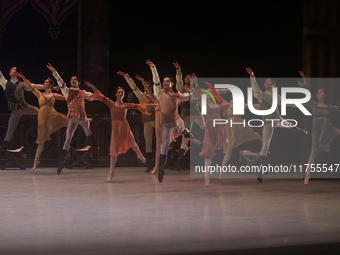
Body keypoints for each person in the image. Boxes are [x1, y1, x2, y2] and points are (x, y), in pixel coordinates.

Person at [85, 82, 154, 182]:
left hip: (124, 127)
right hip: (116, 129)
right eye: (119, 92)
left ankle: (141, 155)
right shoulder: (111, 104)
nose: (120, 94)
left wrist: (152, 105)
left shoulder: (126, 105)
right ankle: (111, 172)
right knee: (113, 151)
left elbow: (138, 106)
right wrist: (93, 87)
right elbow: (101, 96)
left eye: (122, 92)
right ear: (116, 94)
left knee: (132, 141)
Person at [148, 61, 199, 183]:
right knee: (165, 147)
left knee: (184, 130)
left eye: (167, 81)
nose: (164, 83)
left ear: (171, 83)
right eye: (164, 81)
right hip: (167, 124)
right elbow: (156, 82)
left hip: (177, 121)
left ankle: (190, 136)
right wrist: (154, 68)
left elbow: (192, 96)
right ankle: (161, 169)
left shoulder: (176, 95)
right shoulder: (159, 93)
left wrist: (195, 84)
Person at [245, 67, 294, 182]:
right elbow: (255, 88)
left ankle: (300, 131)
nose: (267, 83)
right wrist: (252, 76)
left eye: (269, 81)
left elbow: (289, 103)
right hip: (269, 121)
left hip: (278, 119)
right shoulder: (262, 95)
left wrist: (300, 104)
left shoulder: (277, 97)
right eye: (266, 82)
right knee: (265, 145)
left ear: (273, 84)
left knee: (291, 125)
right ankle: (260, 170)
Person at [46, 63, 95, 175]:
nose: (72, 81)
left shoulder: (83, 92)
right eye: (71, 80)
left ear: (78, 82)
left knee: (88, 131)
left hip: (82, 117)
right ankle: (61, 163)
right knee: (68, 139)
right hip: (73, 117)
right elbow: (60, 81)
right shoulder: (67, 91)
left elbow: (92, 95)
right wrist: (54, 71)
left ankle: (95, 146)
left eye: (74, 80)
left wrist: (98, 95)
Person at [17, 73, 69, 170]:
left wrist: (78, 100)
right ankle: (36, 160)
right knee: (41, 139)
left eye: (46, 82)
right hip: (42, 117)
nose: (44, 83)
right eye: (44, 82)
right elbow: (30, 87)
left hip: (52, 115)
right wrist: (23, 77)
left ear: (50, 85)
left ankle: (82, 120)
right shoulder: (39, 94)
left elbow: (66, 98)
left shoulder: (54, 95)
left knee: (67, 120)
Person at [298, 71, 340, 184]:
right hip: (317, 129)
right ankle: (308, 175)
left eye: (320, 92)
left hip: (327, 128)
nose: (318, 93)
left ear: (325, 95)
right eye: (317, 92)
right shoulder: (313, 104)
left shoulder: (329, 107)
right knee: (313, 152)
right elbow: (307, 91)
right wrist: (305, 79)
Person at [117, 69, 162, 174]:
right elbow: (134, 87)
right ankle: (149, 165)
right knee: (148, 143)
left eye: (149, 85)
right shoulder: (141, 96)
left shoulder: (156, 96)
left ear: (151, 86)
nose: (147, 86)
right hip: (147, 121)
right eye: (146, 84)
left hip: (157, 121)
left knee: (159, 143)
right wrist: (127, 77)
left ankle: (159, 164)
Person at [0, 67, 39, 153]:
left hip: (25, 107)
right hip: (16, 111)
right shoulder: (5, 82)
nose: (10, 70)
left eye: (13, 69)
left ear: (17, 73)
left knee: (41, 112)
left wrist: (47, 87)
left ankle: (43, 134)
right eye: (10, 69)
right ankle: (4, 146)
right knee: (11, 128)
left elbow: (34, 86)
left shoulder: (22, 84)